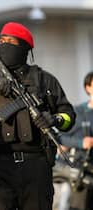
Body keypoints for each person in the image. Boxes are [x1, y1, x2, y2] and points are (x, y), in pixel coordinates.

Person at [0, 22, 76, 210]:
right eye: (1, 40)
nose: (4, 45)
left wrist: (54, 119)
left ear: (25, 47)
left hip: (36, 167)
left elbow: (68, 115)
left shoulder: (44, 80)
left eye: (11, 41)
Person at [58, 71, 93, 210]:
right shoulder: (78, 112)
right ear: (88, 87)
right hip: (83, 173)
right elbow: (60, 137)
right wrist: (81, 143)